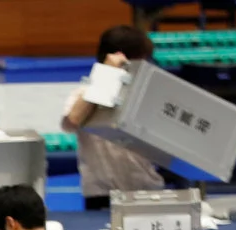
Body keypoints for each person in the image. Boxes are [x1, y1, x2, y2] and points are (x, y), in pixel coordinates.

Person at [61, 26, 165, 209]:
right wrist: (107, 76)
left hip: (148, 191)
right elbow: (73, 120)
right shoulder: (84, 93)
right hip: (101, 195)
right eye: (142, 61)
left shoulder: (149, 95)